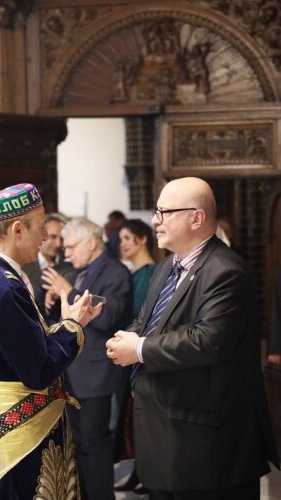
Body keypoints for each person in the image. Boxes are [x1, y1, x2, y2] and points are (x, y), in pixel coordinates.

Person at [106, 177, 279, 500]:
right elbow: (145, 321)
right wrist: (125, 338)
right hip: (167, 436)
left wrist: (139, 349)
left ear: (196, 218)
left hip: (206, 445)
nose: (155, 220)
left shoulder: (225, 270)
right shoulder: (167, 266)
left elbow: (207, 340)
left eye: (165, 212)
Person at [0, 183, 102, 500]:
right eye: (41, 229)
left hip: (3, 426)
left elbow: (17, 348)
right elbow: (37, 371)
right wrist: (73, 326)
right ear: (17, 229)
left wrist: (63, 326)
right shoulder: (2, 286)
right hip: (20, 436)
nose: (45, 239)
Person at [42, 217, 133, 500]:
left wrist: (68, 292)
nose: (65, 253)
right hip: (70, 375)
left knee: (94, 448)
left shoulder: (115, 272)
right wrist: (54, 302)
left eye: (70, 247)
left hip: (96, 378)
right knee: (77, 446)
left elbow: (108, 317)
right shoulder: (74, 270)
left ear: (91, 243)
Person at [114, 219, 156, 493]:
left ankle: (148, 474)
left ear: (142, 239)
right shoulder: (131, 273)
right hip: (127, 350)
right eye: (121, 239)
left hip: (142, 352)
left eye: (127, 238)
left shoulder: (152, 273)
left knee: (142, 418)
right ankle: (138, 471)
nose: (122, 244)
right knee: (131, 420)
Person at [23, 212, 73, 311]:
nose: (59, 244)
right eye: (53, 237)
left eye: (62, 239)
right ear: (40, 235)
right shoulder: (24, 265)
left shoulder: (71, 265)